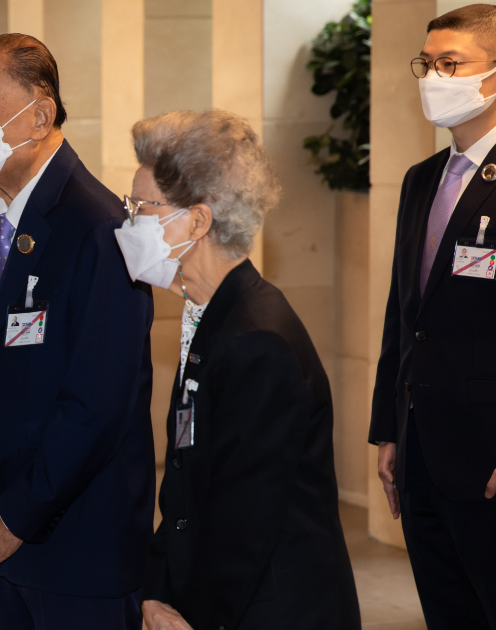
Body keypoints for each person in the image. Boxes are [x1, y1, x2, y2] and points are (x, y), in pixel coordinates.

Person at [0, 33, 156, 630]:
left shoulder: (98, 227)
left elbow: (96, 405)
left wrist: (14, 521)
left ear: (40, 113)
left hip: (77, 546)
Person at [130, 110, 360, 630]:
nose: (128, 222)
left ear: (196, 221)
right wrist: (157, 592)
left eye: (140, 207)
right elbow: (187, 482)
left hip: (274, 609)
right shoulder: (208, 314)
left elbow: (245, 518)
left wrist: (194, 618)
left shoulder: (257, 339)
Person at [372, 5, 496, 628]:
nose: (433, 79)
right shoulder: (421, 179)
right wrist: (388, 428)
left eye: (452, 64)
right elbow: (404, 316)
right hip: (421, 444)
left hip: (489, 455)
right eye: (428, 64)